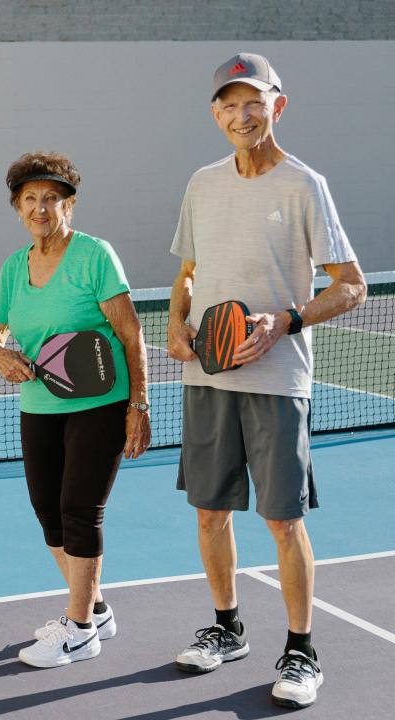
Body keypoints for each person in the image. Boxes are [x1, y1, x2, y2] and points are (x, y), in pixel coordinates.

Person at [167, 54, 366, 709]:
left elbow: (351, 286)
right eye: (228, 103)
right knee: (209, 512)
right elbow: (189, 273)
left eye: (253, 101)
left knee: (283, 521)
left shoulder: (305, 185)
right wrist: (175, 322)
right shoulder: (201, 183)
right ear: (214, 113)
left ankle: (302, 650)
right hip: (207, 378)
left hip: (279, 383)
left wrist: (286, 320)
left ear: (278, 105)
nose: (240, 114)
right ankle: (227, 629)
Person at [0, 151, 151, 669]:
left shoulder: (95, 256)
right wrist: (0, 354)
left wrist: (139, 403)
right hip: (39, 404)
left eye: (51, 198)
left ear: (68, 206)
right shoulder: (15, 266)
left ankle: (78, 630)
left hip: (100, 401)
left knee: (79, 508)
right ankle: (96, 610)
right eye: (30, 199)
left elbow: (129, 332)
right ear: (17, 208)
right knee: (47, 510)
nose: (40, 208)